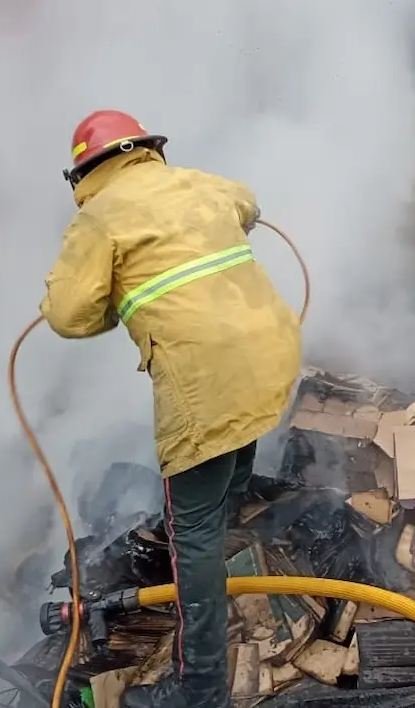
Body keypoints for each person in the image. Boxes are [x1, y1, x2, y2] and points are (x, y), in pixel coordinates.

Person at [40, 109, 302, 708]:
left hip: (208, 382)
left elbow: (68, 315)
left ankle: (201, 688)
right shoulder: (199, 183)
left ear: (85, 170)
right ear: (143, 149)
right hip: (273, 352)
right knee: (231, 465)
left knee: (194, 534)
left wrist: (118, 292)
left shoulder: (98, 218)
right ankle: (232, 540)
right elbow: (249, 205)